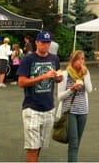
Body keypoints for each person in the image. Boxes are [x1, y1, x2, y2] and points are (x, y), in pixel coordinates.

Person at [18, 31, 63, 162]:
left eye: (48, 43)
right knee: (32, 147)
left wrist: (58, 78)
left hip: (49, 108)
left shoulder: (54, 59)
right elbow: (21, 82)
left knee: (39, 146)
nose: (46, 46)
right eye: (43, 43)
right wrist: (43, 76)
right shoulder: (28, 59)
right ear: (37, 43)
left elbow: (56, 78)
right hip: (31, 108)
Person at [56, 50, 93, 162]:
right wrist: (71, 89)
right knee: (73, 143)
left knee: (77, 143)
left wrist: (84, 75)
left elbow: (89, 89)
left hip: (83, 111)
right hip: (70, 111)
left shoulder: (85, 72)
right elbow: (59, 96)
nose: (80, 62)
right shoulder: (65, 74)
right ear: (72, 60)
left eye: (82, 59)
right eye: (78, 59)